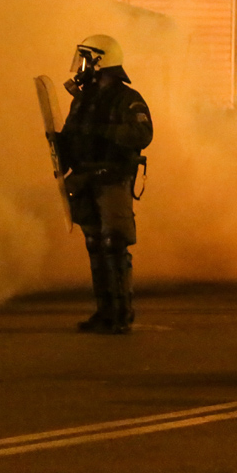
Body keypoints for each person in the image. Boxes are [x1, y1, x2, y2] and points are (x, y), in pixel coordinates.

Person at [56, 35, 153, 334]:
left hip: (112, 178)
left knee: (114, 244)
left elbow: (142, 134)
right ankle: (104, 311)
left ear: (102, 61)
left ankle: (121, 313)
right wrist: (60, 145)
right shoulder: (82, 100)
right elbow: (74, 135)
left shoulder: (128, 99)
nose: (81, 66)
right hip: (85, 179)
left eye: (86, 58)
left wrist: (103, 131)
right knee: (95, 244)